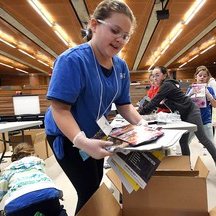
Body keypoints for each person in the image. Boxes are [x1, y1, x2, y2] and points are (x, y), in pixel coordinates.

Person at [44, 0, 146, 213]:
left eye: (125, 36)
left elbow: (124, 105)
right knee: (88, 190)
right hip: (67, 136)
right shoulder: (72, 61)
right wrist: (81, 141)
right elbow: (60, 110)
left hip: (97, 133)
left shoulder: (121, 66)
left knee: (95, 182)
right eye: (115, 30)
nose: (120, 39)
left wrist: (143, 123)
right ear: (94, 25)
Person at [139, 66, 216, 180]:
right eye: (153, 75)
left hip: (191, 111)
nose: (154, 77)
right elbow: (165, 104)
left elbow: (154, 102)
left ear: (164, 75)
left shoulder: (166, 85)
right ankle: (187, 167)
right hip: (182, 114)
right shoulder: (164, 86)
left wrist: (138, 115)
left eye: (157, 75)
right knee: (183, 141)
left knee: (203, 139)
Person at [0, 143, 67, 216]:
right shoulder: (38, 162)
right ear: (32, 153)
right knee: (57, 212)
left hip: (17, 203)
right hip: (47, 194)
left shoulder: (8, 170)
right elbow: (44, 181)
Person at [186, 66, 216, 146]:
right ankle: (185, 158)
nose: (202, 77)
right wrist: (189, 94)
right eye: (200, 75)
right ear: (196, 76)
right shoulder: (190, 89)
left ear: (207, 78)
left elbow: (215, 105)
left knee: (211, 144)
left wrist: (209, 95)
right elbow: (183, 104)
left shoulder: (210, 89)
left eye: (204, 76)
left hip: (205, 120)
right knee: (185, 142)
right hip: (192, 121)